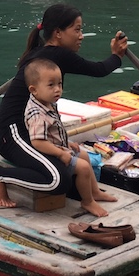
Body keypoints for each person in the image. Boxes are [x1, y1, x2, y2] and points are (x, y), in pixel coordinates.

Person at [0, 3, 128, 211]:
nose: (81, 36)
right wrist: (117, 55)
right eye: (77, 29)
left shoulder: (45, 53)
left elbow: (48, 114)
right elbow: (98, 70)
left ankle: (93, 192)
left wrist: (62, 143)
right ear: (58, 33)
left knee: (75, 160)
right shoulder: (57, 55)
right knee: (58, 181)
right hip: (12, 134)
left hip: (35, 133)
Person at [21, 58, 117, 217]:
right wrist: (60, 153)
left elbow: (54, 131)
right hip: (48, 155)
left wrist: (68, 143)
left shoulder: (48, 103)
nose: (57, 89)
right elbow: (38, 142)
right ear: (34, 90)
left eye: (59, 84)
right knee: (83, 167)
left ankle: (95, 192)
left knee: (84, 155)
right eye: (51, 85)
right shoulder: (38, 114)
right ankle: (87, 201)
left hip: (57, 147)